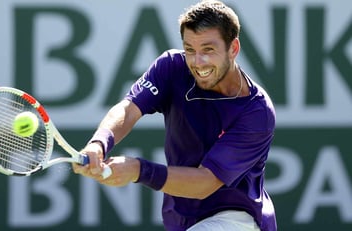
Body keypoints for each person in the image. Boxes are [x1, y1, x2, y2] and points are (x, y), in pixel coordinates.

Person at [72, 0, 277, 230]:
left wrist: (138, 170)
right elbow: (128, 109)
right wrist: (99, 143)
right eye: (190, 49)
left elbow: (205, 182)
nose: (198, 62)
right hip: (182, 219)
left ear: (234, 48)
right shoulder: (172, 67)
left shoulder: (257, 112)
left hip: (238, 219)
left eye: (208, 50)